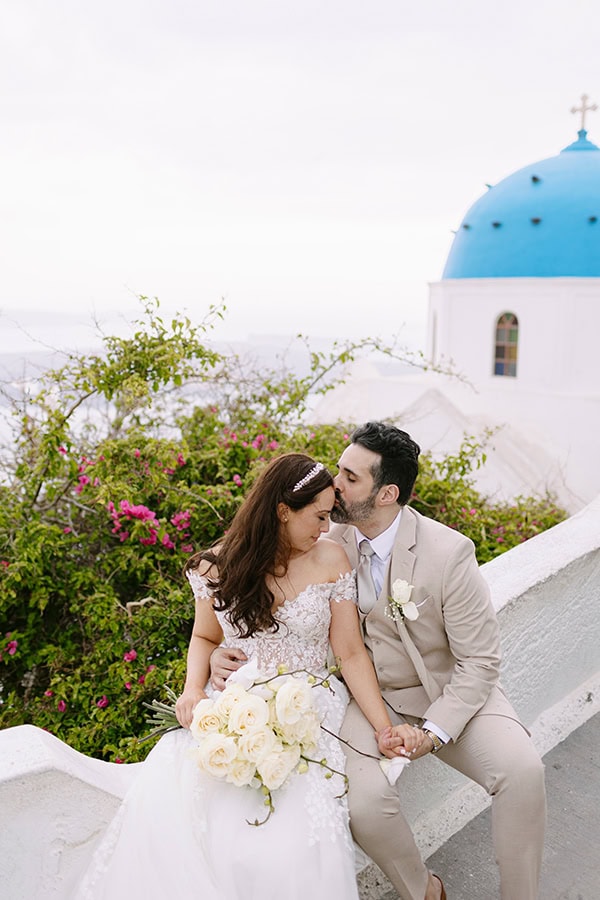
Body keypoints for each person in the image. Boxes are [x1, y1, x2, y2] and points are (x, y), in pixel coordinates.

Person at [211, 423, 547, 900]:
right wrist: (215, 653)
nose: (334, 484)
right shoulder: (322, 535)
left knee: (523, 771)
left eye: (349, 477)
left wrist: (432, 732)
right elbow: (241, 572)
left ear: (387, 492)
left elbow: (480, 662)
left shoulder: (449, 552)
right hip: (362, 700)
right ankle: (424, 891)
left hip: (444, 691)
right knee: (364, 805)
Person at [73, 452, 424, 900]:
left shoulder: (331, 558)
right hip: (237, 704)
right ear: (282, 511)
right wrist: (192, 690)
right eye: (317, 517)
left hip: (311, 706)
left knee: (293, 832)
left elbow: (351, 654)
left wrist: (383, 728)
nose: (324, 528)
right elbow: (203, 637)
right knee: (204, 811)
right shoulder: (214, 566)